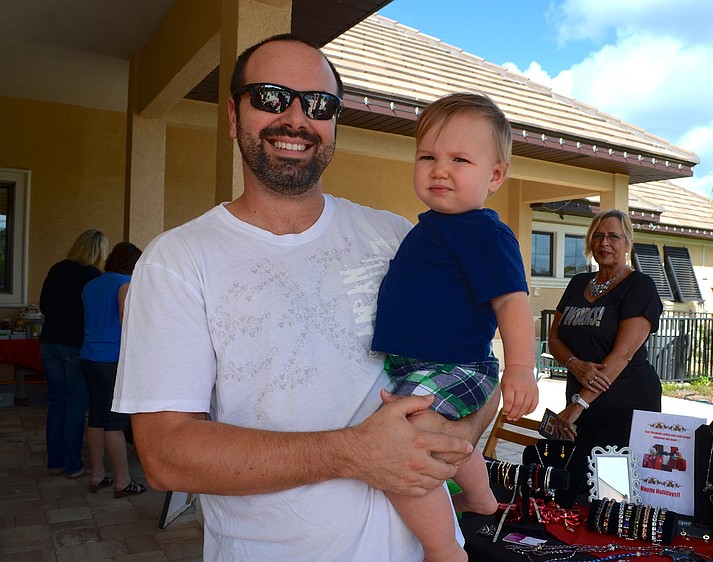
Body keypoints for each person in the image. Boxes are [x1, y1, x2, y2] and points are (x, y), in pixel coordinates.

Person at [112, 34, 497, 561]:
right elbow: (164, 455)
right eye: (270, 97)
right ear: (233, 115)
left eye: (319, 104)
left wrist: (456, 432)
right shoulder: (177, 262)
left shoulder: (400, 239)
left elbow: (477, 368)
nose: (296, 119)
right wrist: (353, 454)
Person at [371, 92, 538, 562]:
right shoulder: (428, 229)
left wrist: (521, 369)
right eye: (428, 156)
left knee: (404, 447)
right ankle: (482, 499)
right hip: (418, 364)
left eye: (459, 159)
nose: (439, 169)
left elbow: (513, 303)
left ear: (495, 175)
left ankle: (445, 549)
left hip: (457, 365)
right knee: (426, 438)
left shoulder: (486, 232)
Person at [549, 209, 662, 485]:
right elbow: (554, 339)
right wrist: (574, 364)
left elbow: (622, 355)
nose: (604, 243)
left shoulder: (640, 286)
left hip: (625, 405)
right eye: (598, 236)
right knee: (576, 484)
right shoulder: (578, 283)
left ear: (627, 243)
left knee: (612, 491)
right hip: (581, 401)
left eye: (613, 236)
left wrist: (577, 407)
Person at [39, 228, 108, 478]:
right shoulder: (92, 276)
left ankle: (55, 462)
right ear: (99, 251)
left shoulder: (57, 268)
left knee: (57, 403)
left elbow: (44, 305)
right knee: (76, 405)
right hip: (74, 345)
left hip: (49, 343)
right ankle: (73, 464)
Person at [80, 242, 146, 498]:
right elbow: (126, 320)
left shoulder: (92, 284)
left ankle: (97, 475)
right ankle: (123, 481)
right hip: (113, 359)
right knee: (115, 422)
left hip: (89, 357)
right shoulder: (125, 284)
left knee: (96, 416)